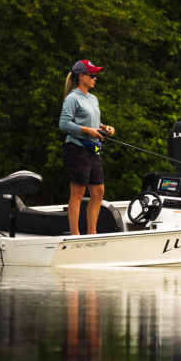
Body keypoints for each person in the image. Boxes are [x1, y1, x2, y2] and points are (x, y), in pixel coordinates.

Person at [58, 60, 115, 235]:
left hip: (93, 150)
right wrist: (87, 130)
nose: (95, 78)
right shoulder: (72, 98)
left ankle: (92, 233)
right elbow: (64, 123)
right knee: (78, 192)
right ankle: (75, 234)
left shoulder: (93, 98)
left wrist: (104, 127)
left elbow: (93, 121)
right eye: (92, 75)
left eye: (95, 75)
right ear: (81, 76)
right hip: (76, 149)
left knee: (98, 192)